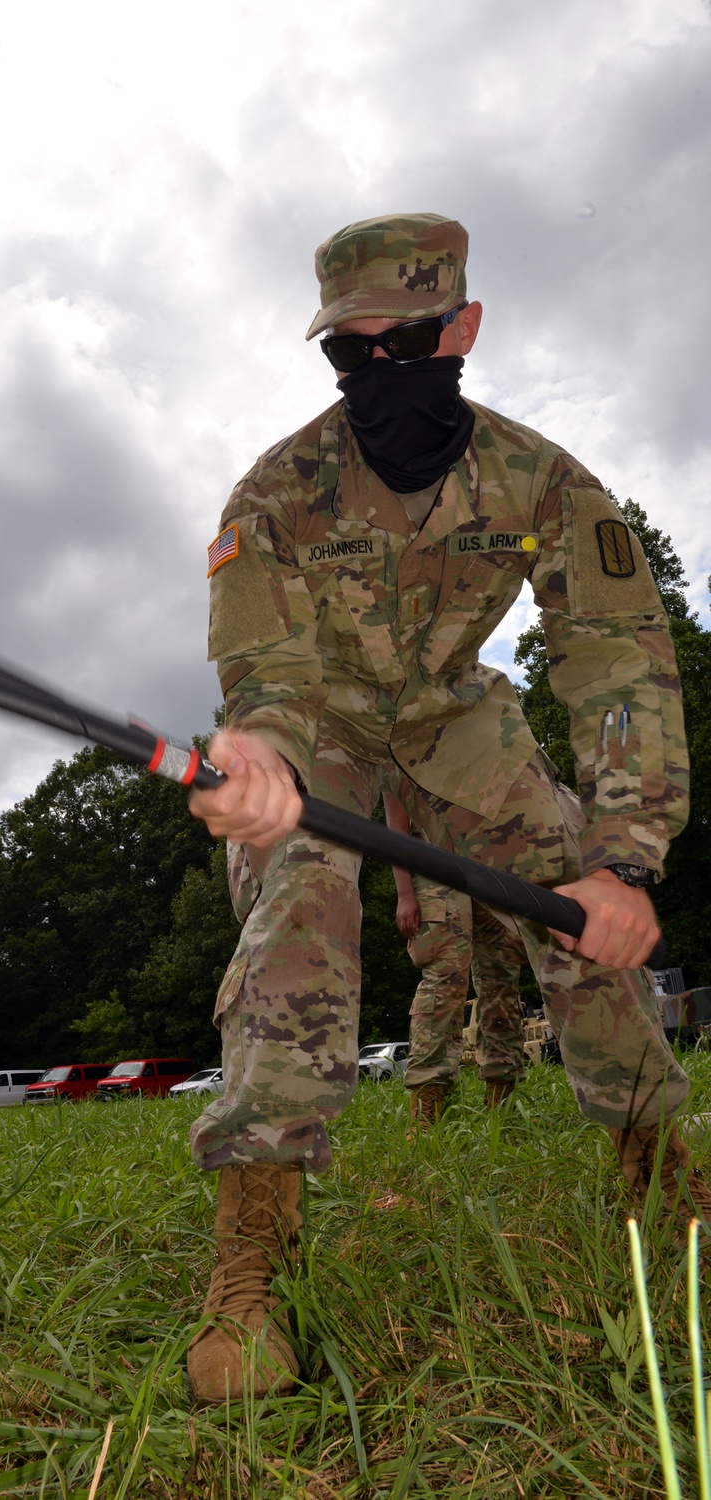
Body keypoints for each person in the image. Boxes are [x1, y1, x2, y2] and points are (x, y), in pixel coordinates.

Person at [185, 213, 706, 1405]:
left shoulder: (539, 479)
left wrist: (623, 859)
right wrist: (259, 759)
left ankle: (655, 1168)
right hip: (322, 722)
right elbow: (265, 676)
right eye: (347, 354)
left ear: (461, 329)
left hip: (458, 722)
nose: (378, 374)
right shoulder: (274, 493)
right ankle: (254, 1254)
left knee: (571, 887)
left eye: (405, 343)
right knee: (298, 889)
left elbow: (617, 661)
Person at [383, 790, 529, 1116]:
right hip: (433, 865)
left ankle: (502, 1101)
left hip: (489, 863)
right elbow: (396, 830)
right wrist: (405, 894)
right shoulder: (401, 744)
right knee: (445, 979)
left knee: (501, 977)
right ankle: (426, 1108)